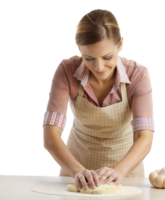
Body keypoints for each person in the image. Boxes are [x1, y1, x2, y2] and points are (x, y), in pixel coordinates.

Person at [41, 8, 157, 191]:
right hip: (74, 172)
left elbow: (145, 137)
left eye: (107, 57)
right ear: (78, 49)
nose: (99, 67)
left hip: (127, 174)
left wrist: (119, 171)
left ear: (121, 44)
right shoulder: (66, 70)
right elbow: (50, 136)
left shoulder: (138, 74)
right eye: (89, 58)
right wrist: (78, 172)